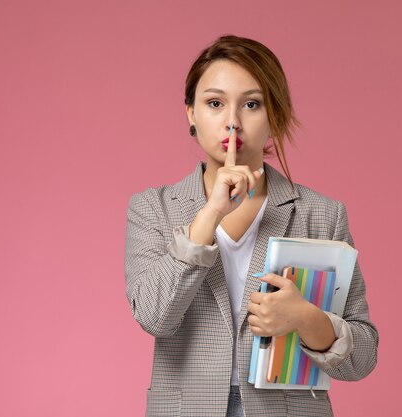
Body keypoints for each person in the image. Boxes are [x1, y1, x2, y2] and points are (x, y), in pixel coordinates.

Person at [124, 35, 378, 417]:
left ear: (274, 114)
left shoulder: (322, 214)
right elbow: (154, 317)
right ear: (191, 113)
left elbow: (363, 358)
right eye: (214, 103)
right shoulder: (152, 208)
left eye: (252, 104)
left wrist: (307, 319)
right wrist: (209, 215)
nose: (232, 121)